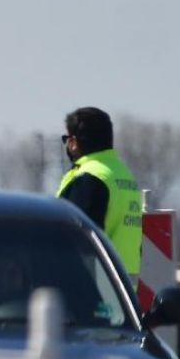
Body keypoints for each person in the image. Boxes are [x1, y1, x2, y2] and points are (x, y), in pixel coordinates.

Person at [56, 106, 143, 279]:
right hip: (123, 293)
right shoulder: (123, 176)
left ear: (73, 143)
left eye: (66, 139)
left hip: (93, 292)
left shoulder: (90, 178)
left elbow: (74, 242)